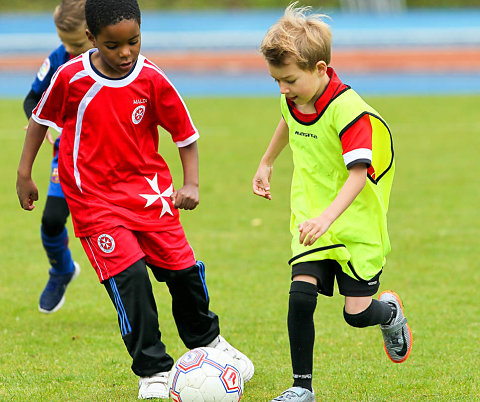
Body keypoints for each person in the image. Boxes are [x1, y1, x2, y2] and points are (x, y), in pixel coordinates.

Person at [16, 0, 254, 398]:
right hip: (95, 203)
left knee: (183, 272)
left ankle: (209, 343)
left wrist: (191, 183)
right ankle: (153, 370)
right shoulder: (69, 78)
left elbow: (184, 133)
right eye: (113, 45)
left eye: (134, 42)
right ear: (91, 39)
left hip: (152, 198)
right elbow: (39, 121)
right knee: (131, 279)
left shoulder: (152, 78)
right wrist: (24, 174)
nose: (125, 52)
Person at [252, 4, 412, 401]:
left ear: (321, 68)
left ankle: (390, 313)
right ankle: (300, 388)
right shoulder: (296, 97)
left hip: (355, 226)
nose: (283, 90)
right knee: (300, 295)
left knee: (355, 315)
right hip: (312, 220)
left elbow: (359, 175)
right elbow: (288, 119)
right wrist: (266, 162)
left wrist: (328, 217)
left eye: (289, 80)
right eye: (277, 82)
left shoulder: (349, 110)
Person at [23, 0, 91, 314]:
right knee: (51, 221)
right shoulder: (59, 59)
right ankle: (62, 269)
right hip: (66, 158)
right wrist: (41, 121)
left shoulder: (115, 60)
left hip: (112, 159)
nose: (69, 50)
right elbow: (32, 99)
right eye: (65, 42)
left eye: (76, 43)